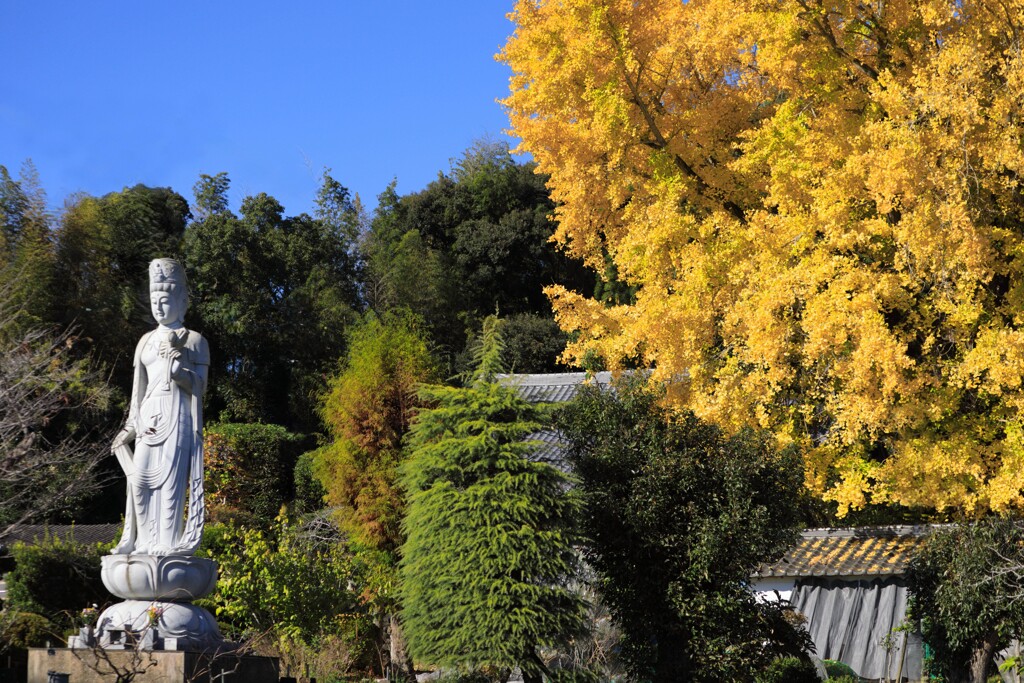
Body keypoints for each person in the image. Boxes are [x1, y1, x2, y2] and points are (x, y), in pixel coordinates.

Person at [111, 258, 209, 555]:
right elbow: (136, 393)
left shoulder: (194, 341)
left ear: (182, 301)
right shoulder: (144, 342)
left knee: (169, 488)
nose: (159, 306)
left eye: (165, 300)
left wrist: (178, 367)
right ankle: (141, 544)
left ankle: (165, 546)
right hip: (146, 421)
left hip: (176, 416)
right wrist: (129, 428)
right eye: (154, 300)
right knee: (138, 484)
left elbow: (199, 389)